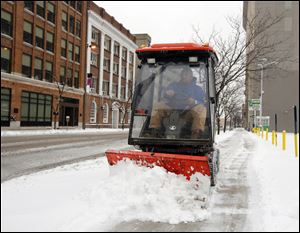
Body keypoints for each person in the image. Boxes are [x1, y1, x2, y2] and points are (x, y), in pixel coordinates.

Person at [149, 67, 207, 139]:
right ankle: (154, 131)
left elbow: (203, 102)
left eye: (186, 75)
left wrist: (194, 101)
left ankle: (196, 134)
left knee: (201, 108)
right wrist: (167, 93)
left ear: (191, 77)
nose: (184, 76)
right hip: (172, 110)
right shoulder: (174, 85)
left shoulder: (197, 89)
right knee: (157, 105)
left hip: (188, 113)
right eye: (182, 75)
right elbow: (165, 95)